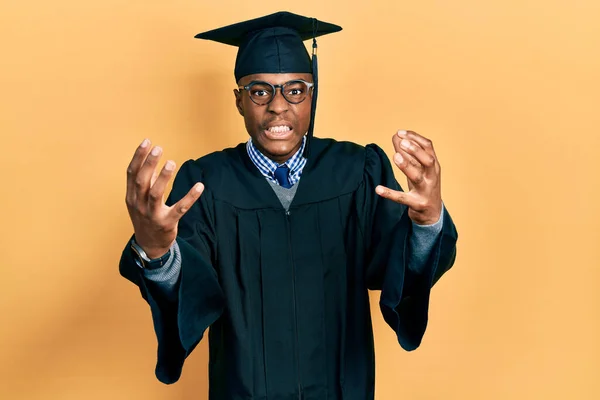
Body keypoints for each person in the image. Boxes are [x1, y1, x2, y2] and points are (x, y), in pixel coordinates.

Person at [119, 11, 458, 400]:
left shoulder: (357, 171)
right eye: (260, 91)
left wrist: (428, 221)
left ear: (311, 94)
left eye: (295, 89)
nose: (279, 106)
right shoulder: (205, 184)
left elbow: (395, 270)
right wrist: (158, 252)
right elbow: (193, 293)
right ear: (239, 101)